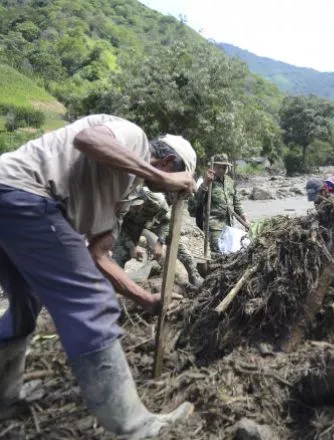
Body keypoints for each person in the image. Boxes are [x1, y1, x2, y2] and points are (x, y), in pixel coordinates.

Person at [0, 115, 196, 437]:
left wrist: (146, 299)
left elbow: (98, 256)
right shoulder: (134, 137)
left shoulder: (120, 189)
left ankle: (4, 400)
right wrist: (161, 176)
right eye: (174, 180)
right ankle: (135, 428)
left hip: (9, 198)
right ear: (169, 162)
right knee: (92, 303)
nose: (168, 191)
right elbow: (88, 140)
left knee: (24, 303)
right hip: (27, 195)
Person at [113, 180, 204, 287]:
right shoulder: (122, 205)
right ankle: (114, 283)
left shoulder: (157, 200)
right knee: (119, 254)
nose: (135, 208)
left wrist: (160, 242)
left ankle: (194, 277)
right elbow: (123, 228)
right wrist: (133, 245)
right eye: (132, 206)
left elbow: (166, 222)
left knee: (181, 251)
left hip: (157, 222)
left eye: (138, 205)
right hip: (135, 226)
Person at [194, 153, 249, 253]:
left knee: (231, 252)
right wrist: (205, 184)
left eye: (224, 167)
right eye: (218, 167)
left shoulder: (230, 182)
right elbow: (195, 202)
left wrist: (244, 217)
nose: (221, 170)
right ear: (213, 166)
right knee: (218, 253)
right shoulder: (205, 180)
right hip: (213, 226)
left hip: (229, 224)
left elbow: (236, 202)